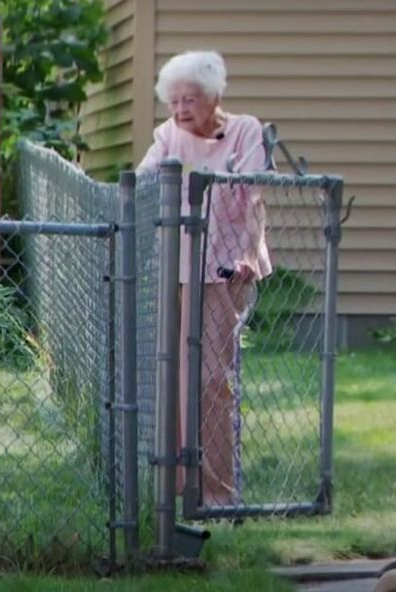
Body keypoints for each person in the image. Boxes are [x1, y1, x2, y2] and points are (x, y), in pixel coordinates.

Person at [137, 50, 272, 507]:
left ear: (213, 96)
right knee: (174, 373)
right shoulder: (167, 135)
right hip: (177, 267)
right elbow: (144, 181)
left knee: (213, 379)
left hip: (225, 268)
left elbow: (255, 194)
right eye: (173, 102)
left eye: (189, 100)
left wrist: (250, 252)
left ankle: (218, 491)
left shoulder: (244, 131)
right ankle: (178, 482)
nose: (179, 111)